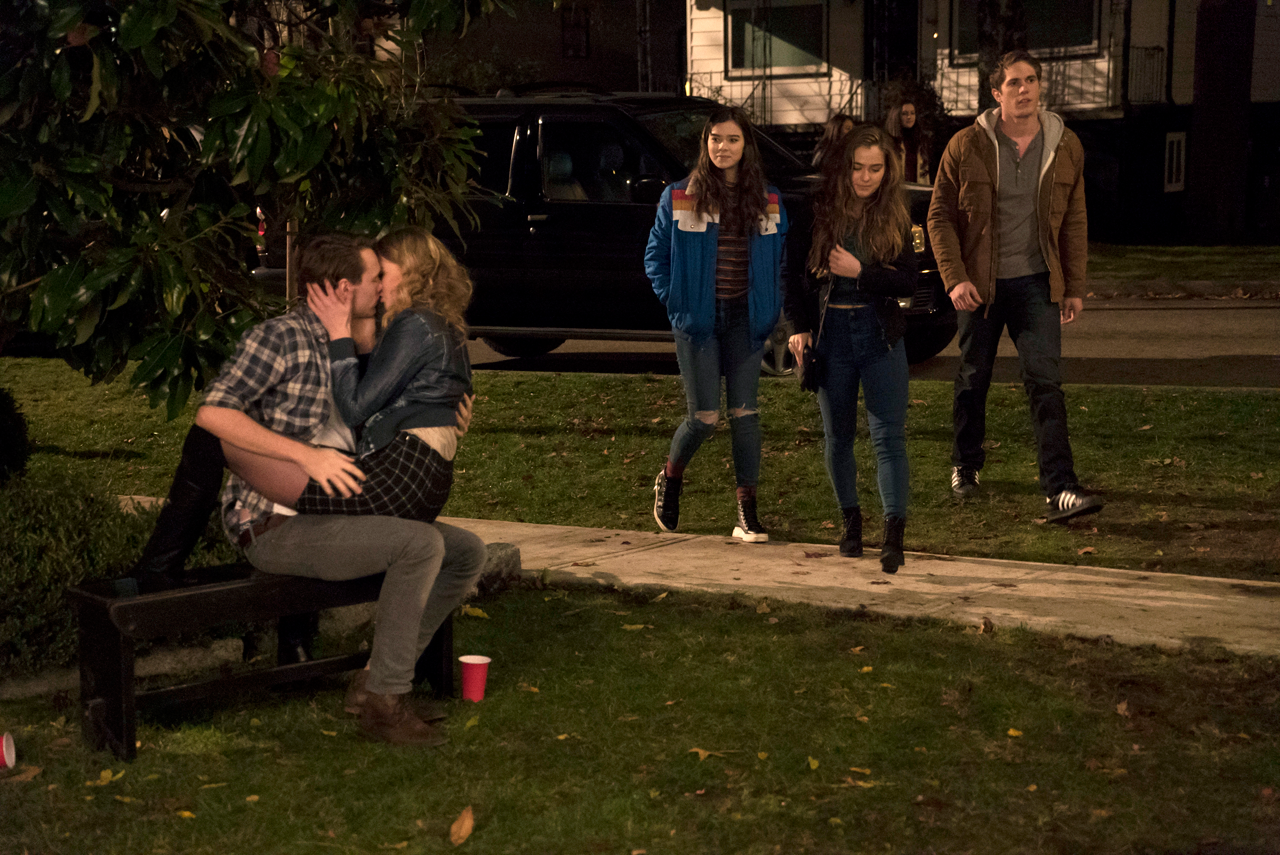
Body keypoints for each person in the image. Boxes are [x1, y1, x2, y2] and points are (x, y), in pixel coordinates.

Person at [134, 233, 486, 747]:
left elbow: (391, 408)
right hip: (276, 524)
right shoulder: (279, 338)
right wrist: (305, 455)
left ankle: (374, 679)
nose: (385, 288)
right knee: (421, 544)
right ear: (345, 288)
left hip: (347, 511)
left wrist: (447, 415)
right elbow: (211, 414)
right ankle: (386, 700)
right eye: (376, 278)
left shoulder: (368, 343)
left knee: (466, 552)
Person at [927, 49, 1103, 524]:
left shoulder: (1065, 145)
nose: (1023, 89)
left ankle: (1061, 488)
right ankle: (965, 464)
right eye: (1013, 83)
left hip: (1036, 284)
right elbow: (940, 215)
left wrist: (1074, 285)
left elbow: (1074, 221)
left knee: (1046, 383)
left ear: (1039, 86)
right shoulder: (966, 145)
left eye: (1030, 80)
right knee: (972, 377)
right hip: (979, 287)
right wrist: (954, 277)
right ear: (996, 92)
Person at [216, 227, 473, 528]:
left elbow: (355, 408)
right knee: (217, 441)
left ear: (408, 274)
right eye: (373, 277)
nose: (379, 287)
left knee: (220, 445)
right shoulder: (432, 324)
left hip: (401, 471)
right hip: (411, 472)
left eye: (383, 274)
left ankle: (247, 527)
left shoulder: (414, 323)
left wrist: (339, 336)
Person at [645, 105, 788, 543]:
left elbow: (780, 263)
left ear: (747, 147)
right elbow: (655, 258)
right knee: (705, 417)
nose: (722, 147)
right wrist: (678, 301)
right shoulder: (679, 196)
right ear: (705, 144)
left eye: (732, 140)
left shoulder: (769, 200)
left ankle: (747, 512)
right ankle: (670, 477)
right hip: (699, 321)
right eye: (715, 139)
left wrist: (773, 307)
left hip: (746, 321)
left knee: (746, 415)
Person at [786, 126, 918, 574]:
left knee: (888, 438)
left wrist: (861, 271)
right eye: (858, 167)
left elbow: (907, 281)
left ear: (888, 170)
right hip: (831, 336)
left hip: (878, 334)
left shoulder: (898, 212)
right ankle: (851, 525)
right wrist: (799, 327)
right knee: (838, 437)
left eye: (875, 169)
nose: (865, 177)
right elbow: (792, 274)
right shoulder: (818, 209)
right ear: (844, 167)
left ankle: (893, 536)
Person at [885, 101, 930, 184]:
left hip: (918, 190)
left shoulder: (920, 140)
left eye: (912, 113)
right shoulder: (889, 142)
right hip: (897, 191)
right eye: (904, 114)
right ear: (896, 116)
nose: (909, 117)